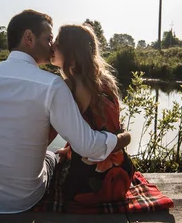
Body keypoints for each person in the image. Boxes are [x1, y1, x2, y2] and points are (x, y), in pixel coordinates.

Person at [0, 9, 131, 214]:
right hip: (24, 197)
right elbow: (89, 146)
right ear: (29, 37)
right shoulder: (52, 85)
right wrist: (125, 138)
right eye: (48, 38)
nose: (51, 45)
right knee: (51, 157)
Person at [50, 24, 134, 205]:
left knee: (55, 170)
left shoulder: (71, 85)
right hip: (121, 174)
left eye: (56, 42)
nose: (52, 46)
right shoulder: (106, 80)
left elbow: (70, 126)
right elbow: (94, 124)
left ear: (70, 52)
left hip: (88, 180)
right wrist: (71, 148)